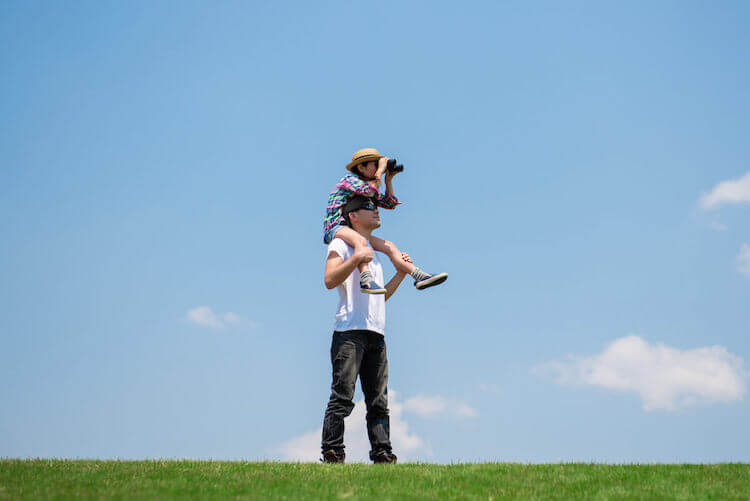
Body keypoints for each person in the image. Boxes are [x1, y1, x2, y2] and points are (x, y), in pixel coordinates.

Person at [320, 195, 415, 464]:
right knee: (343, 396)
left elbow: (379, 297)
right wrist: (356, 258)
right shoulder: (341, 244)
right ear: (353, 215)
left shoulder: (375, 258)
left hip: (377, 334)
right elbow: (329, 279)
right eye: (370, 208)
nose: (377, 212)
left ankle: (382, 453)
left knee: (379, 401)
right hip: (349, 333)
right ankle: (332, 452)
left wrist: (401, 273)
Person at [323, 147, 447, 294]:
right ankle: (366, 279)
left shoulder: (370, 187)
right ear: (361, 167)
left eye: (378, 164)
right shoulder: (349, 180)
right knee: (360, 241)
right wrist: (381, 171)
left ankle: (419, 275)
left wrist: (388, 179)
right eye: (374, 164)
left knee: (390, 246)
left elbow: (390, 203)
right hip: (336, 226)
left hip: (353, 228)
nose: (377, 168)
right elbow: (369, 191)